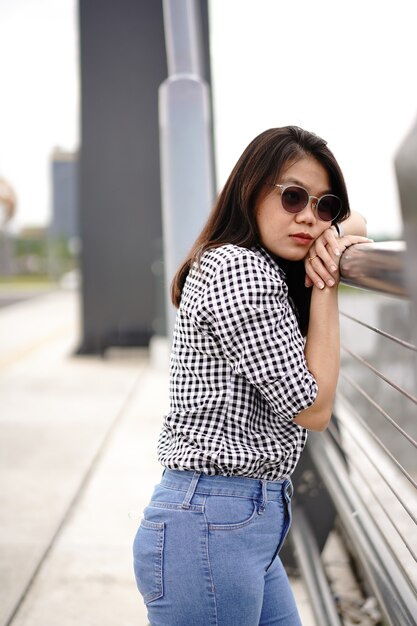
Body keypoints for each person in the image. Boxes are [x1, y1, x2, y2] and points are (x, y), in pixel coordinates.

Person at [133, 126, 370, 625]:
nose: (309, 216)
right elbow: (314, 407)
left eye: (325, 206)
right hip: (212, 527)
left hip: (240, 523)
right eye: (292, 196)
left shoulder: (255, 265)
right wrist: (326, 283)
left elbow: (358, 221)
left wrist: (340, 235)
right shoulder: (238, 268)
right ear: (250, 189)